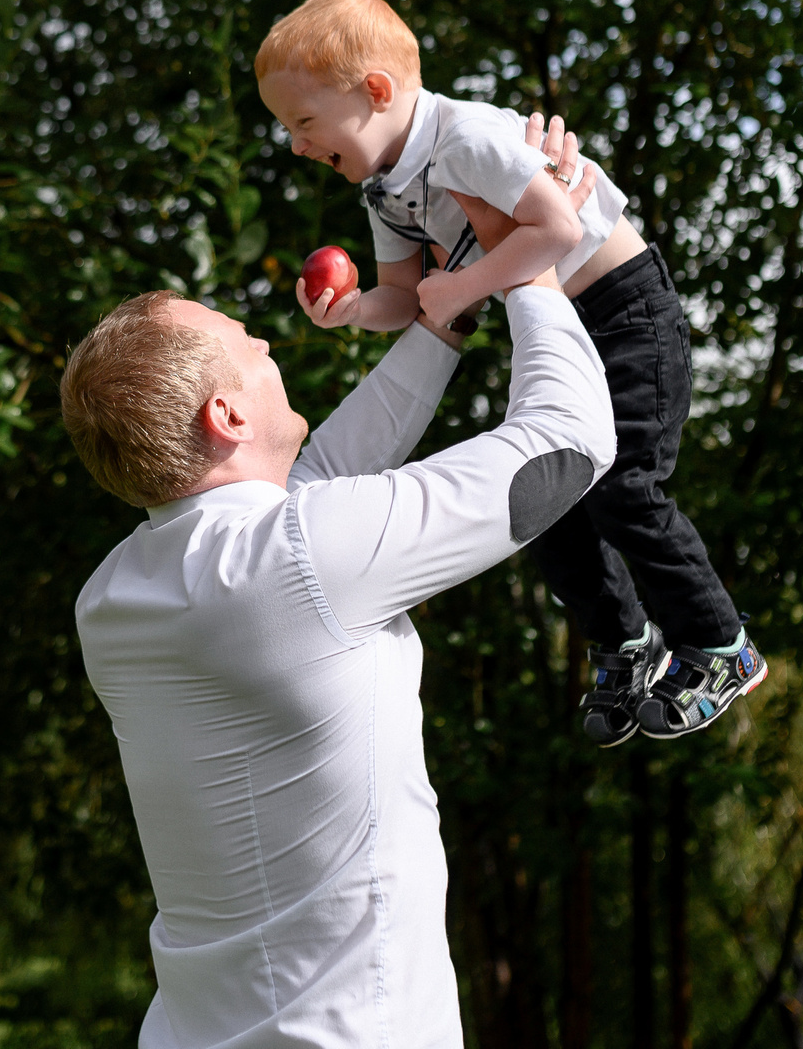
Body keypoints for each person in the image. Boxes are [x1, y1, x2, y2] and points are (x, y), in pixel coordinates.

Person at [64, 122, 611, 1049]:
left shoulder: (112, 602)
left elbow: (304, 494)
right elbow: (568, 445)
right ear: (227, 414)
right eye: (249, 345)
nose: (267, 344)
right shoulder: (302, 558)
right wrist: (530, 268)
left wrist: (448, 313)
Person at [253, 0, 764, 745]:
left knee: (625, 487)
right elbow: (410, 297)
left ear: (376, 92)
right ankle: (626, 642)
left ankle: (721, 644)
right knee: (550, 498)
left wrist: (464, 285)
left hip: (624, 312)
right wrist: (356, 310)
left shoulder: (463, 137)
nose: (296, 146)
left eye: (303, 123)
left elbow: (556, 228)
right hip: (557, 324)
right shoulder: (385, 191)